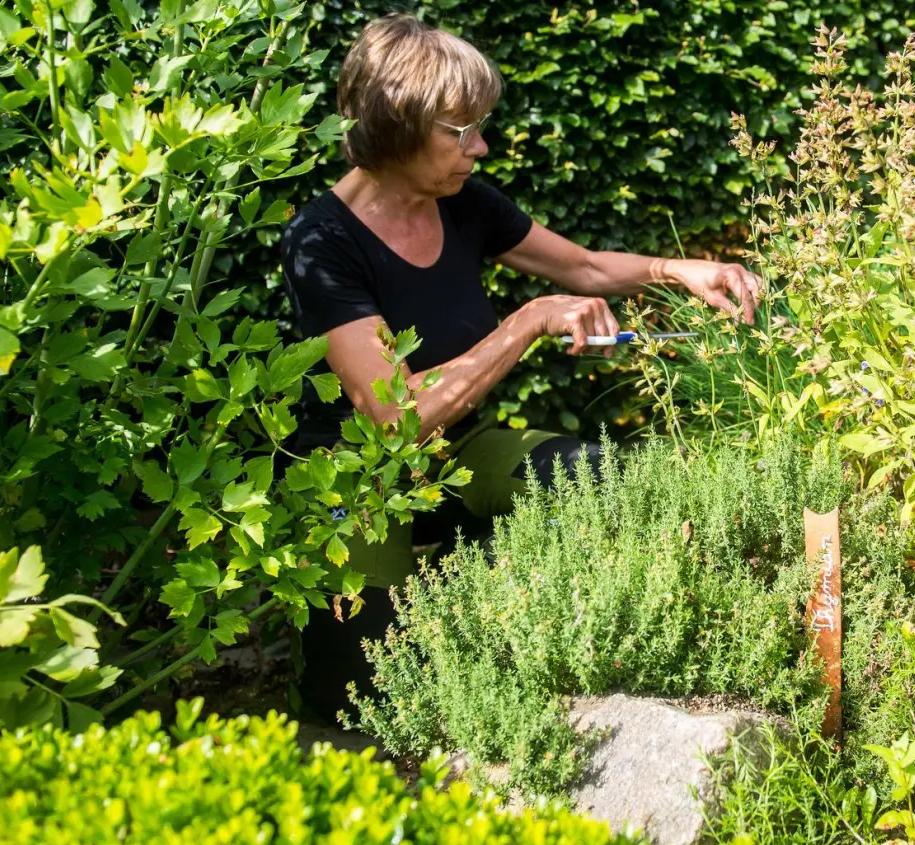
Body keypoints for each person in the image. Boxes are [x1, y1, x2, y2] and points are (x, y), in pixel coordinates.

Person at [280, 14, 762, 719]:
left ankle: (499, 627)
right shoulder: (320, 243)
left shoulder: (463, 201)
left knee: (605, 479)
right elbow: (392, 419)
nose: (481, 146)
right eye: (461, 129)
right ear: (397, 122)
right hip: (356, 477)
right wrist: (529, 319)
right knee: (356, 699)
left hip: (460, 454)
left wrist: (679, 269)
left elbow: (586, 266)